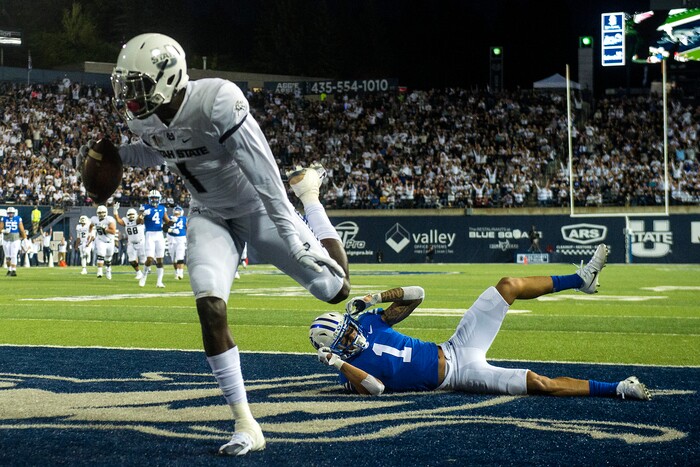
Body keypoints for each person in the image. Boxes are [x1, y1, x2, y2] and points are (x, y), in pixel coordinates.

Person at [91, 33, 350, 456]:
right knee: (210, 306)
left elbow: (267, 180)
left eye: (137, 84)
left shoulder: (217, 101)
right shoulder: (145, 119)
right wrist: (119, 155)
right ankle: (246, 422)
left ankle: (313, 198)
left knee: (336, 291)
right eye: (126, 85)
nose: (130, 96)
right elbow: (158, 150)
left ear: (167, 77)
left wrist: (291, 232)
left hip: (259, 209)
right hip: (209, 214)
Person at [310, 244, 651, 401]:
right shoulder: (351, 370)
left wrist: (376, 298)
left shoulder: (369, 323)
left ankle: (580, 279)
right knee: (538, 383)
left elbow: (417, 293)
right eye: (344, 339)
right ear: (335, 350)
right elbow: (376, 388)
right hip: (460, 376)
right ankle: (618, 388)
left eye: (348, 327)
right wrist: (339, 362)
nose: (352, 334)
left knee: (507, 285)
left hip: (457, 345)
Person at [140, 190, 170, 288]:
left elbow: (167, 222)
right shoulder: (145, 207)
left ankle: (159, 282)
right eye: (152, 198)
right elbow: (138, 221)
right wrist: (143, 215)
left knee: (160, 260)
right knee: (149, 259)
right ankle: (144, 276)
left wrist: (172, 222)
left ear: (159, 199)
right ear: (149, 199)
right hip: (149, 234)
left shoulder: (162, 208)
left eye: (155, 198)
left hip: (159, 234)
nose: (154, 200)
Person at [113, 203, 147, 279]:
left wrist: (142, 212)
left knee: (143, 260)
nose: (131, 216)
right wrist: (115, 211)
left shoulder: (138, 220)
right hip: (131, 243)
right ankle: (138, 273)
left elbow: (139, 220)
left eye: (132, 215)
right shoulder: (125, 221)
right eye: (130, 215)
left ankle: (146, 271)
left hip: (141, 242)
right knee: (131, 260)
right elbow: (118, 220)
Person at [90, 205, 117, 280]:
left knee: (108, 257)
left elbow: (113, 231)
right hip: (100, 239)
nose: (101, 214)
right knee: (101, 254)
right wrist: (90, 232)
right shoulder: (94, 219)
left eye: (103, 212)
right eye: (99, 212)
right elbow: (91, 225)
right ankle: (99, 271)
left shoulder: (109, 219)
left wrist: (105, 228)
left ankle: (108, 270)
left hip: (110, 240)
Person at [1, 207, 27, 276]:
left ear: (14, 213)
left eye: (12, 213)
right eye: (9, 213)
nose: (10, 215)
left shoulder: (18, 218)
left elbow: (22, 229)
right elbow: (0, 229)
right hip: (6, 239)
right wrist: (4, 230)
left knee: (14, 255)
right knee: (7, 257)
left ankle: (14, 270)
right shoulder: (4, 219)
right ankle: (9, 269)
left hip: (15, 239)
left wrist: (25, 239)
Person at [166, 205, 187, 280]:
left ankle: (180, 273)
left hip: (181, 239)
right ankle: (176, 271)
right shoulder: (169, 217)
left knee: (180, 257)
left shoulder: (184, 219)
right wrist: (171, 230)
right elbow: (164, 227)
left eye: (178, 212)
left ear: (181, 213)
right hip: (171, 239)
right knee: (173, 259)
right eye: (176, 212)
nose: (177, 214)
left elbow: (189, 227)